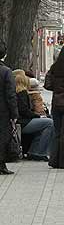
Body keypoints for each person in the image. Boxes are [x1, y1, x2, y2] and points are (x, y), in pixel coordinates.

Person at [15, 71, 53, 161]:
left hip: (20, 121)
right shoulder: (22, 92)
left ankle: (34, 151)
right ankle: (39, 152)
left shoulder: (16, 92)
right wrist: (38, 116)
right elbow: (24, 111)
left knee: (45, 124)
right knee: (49, 123)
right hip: (23, 122)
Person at [0, 41, 18, 175]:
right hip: (3, 111)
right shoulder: (6, 72)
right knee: (3, 137)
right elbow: (11, 95)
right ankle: (1, 165)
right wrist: (14, 114)